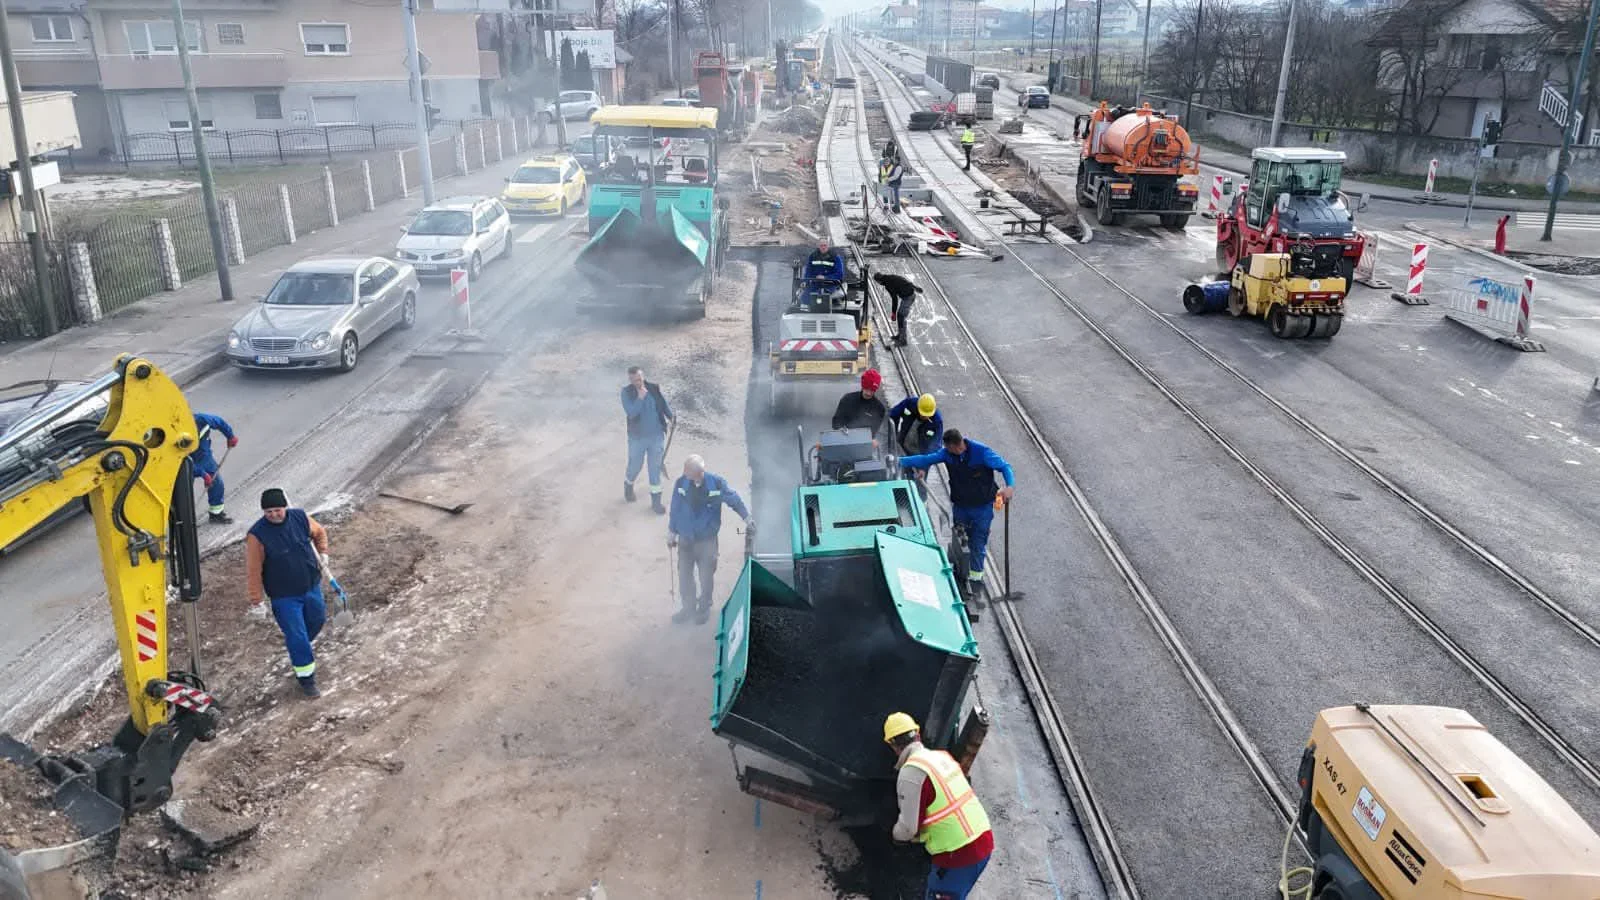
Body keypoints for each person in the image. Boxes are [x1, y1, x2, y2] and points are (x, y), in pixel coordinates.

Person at [883, 712, 994, 899]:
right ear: (917, 735)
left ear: (893, 746)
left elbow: (908, 828)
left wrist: (895, 837)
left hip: (958, 855)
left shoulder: (911, 772)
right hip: (983, 839)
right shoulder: (943, 757)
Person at [900, 430, 1015, 593]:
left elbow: (1005, 467)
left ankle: (976, 580)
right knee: (961, 538)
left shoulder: (982, 453)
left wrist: (1009, 486)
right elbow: (926, 459)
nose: (944, 451)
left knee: (978, 541)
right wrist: (900, 461)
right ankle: (961, 571)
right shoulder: (947, 454)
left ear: (954, 445)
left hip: (982, 508)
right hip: (961, 506)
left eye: (946, 448)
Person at [246, 488, 331, 698]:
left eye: (277, 510)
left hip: (310, 586)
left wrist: (324, 553)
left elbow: (319, 533)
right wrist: (257, 601)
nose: (273, 514)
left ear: (284, 507)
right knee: (297, 636)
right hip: (284, 597)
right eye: (268, 512)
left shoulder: (300, 518)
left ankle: (298, 650)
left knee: (318, 619)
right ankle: (306, 680)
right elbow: (253, 570)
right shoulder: (257, 535)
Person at [667, 455, 753, 625]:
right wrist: (671, 531)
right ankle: (688, 608)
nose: (685, 474)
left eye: (688, 472)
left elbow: (733, 500)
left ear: (699, 472)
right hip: (686, 539)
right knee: (684, 575)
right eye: (685, 471)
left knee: (706, 575)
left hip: (707, 540)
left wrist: (747, 518)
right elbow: (675, 507)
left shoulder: (717, 483)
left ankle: (704, 607)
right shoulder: (681, 483)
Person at [621, 366, 674, 514]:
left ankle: (656, 503)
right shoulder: (626, 393)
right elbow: (631, 413)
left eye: (640, 379)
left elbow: (663, 405)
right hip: (637, 438)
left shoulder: (653, 388)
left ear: (643, 376)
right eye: (634, 380)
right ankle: (628, 485)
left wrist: (671, 417)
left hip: (656, 436)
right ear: (630, 380)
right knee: (635, 466)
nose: (638, 382)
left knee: (654, 469)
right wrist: (639, 398)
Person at [191, 412, 238, 524]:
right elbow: (180, 462)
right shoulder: (174, 435)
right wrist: (202, 474)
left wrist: (230, 436)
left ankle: (216, 514)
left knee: (217, 484)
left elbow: (220, 422)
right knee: (183, 492)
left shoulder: (202, 419)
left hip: (205, 458)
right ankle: (182, 522)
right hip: (186, 462)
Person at [832, 368, 888, 436]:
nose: (869, 393)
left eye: (872, 390)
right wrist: (840, 429)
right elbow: (836, 423)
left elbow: (873, 433)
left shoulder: (879, 409)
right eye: (867, 389)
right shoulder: (847, 400)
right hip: (844, 438)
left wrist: (872, 439)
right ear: (863, 385)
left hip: (864, 443)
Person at [873, 271, 923, 345]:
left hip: (908, 297)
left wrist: (893, 313)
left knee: (901, 316)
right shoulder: (891, 277)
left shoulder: (888, 284)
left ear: (878, 281)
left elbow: (894, 299)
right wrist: (915, 287)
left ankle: (903, 340)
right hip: (908, 295)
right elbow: (903, 280)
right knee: (900, 316)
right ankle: (900, 335)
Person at [889, 393, 943, 457]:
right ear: (918, 406)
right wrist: (893, 437)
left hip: (920, 456)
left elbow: (936, 444)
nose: (924, 417)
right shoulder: (910, 404)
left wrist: (925, 460)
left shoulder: (937, 421)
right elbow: (893, 415)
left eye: (927, 415)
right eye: (923, 414)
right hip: (902, 445)